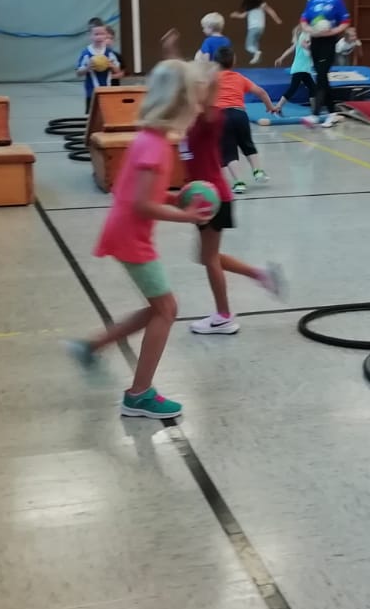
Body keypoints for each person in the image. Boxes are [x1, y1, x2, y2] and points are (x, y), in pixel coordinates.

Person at [66, 51, 212, 420]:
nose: (199, 108)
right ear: (178, 103)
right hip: (131, 237)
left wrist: (174, 197)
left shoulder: (149, 139)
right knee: (167, 309)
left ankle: (93, 346)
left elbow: (130, 191)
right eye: (195, 101)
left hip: (125, 231)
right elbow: (143, 205)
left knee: (158, 308)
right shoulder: (156, 147)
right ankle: (139, 394)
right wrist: (186, 215)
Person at [183, 62, 287, 336]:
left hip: (212, 198)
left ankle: (223, 316)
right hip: (203, 197)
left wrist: (210, 79)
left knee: (209, 258)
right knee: (206, 255)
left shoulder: (209, 119)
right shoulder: (190, 121)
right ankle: (260, 275)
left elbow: (207, 106)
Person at [211, 45, 280, 192]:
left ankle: (239, 182)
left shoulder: (212, 79)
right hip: (239, 114)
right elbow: (261, 92)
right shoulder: (239, 78)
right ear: (234, 62)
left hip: (221, 117)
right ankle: (258, 171)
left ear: (215, 63)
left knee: (229, 151)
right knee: (247, 144)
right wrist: (270, 107)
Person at [300, 0, 352, 128]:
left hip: (328, 43)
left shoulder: (336, 0)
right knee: (322, 78)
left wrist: (333, 31)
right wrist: (308, 31)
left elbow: (345, 21)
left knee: (321, 76)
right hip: (315, 42)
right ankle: (332, 113)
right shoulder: (313, 0)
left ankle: (315, 114)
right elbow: (304, 20)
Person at [76, 20, 123, 109]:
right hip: (92, 93)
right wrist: (87, 68)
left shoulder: (109, 53)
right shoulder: (86, 53)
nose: (99, 37)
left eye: (102, 34)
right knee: (92, 115)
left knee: (107, 113)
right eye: (96, 34)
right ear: (90, 35)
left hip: (107, 91)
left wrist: (112, 66)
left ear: (105, 35)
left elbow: (118, 70)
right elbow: (78, 73)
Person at [231, 0, 282, 65]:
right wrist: (277, 19)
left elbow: (242, 16)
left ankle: (256, 53)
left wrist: (235, 15)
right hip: (261, 28)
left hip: (252, 28)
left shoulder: (250, 8)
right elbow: (271, 11)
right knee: (255, 43)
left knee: (248, 46)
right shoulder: (261, 5)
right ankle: (257, 58)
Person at [278, 23, 317, 111]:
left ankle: (315, 109)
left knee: (313, 88)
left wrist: (281, 58)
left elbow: (290, 49)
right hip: (299, 69)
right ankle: (279, 106)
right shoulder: (304, 36)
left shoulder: (304, 38)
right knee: (293, 88)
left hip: (304, 70)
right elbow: (306, 46)